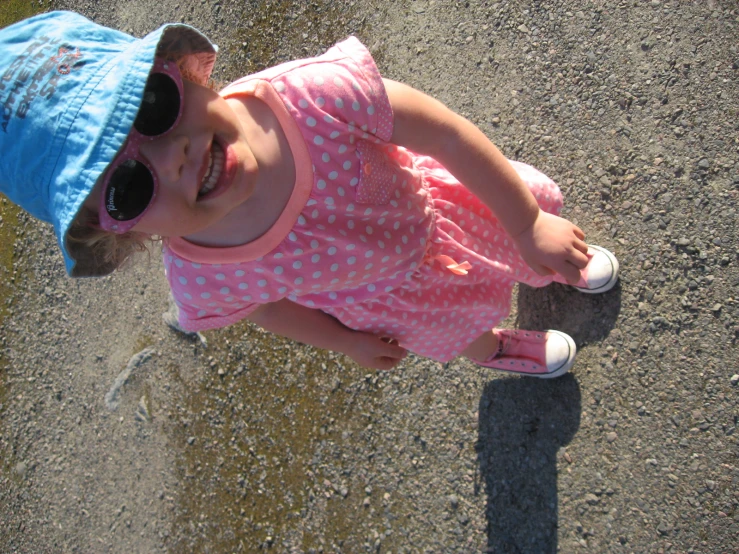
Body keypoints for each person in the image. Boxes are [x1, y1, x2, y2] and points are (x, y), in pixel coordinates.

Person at [0, 11, 619, 378]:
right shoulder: (201, 279)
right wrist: (343, 340)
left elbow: (446, 134)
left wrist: (526, 221)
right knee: (460, 330)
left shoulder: (310, 97)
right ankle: (497, 348)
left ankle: (543, 258)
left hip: (445, 212)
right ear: (121, 231)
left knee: (525, 244)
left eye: (154, 107)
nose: (175, 156)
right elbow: (267, 309)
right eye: (128, 188)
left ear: (179, 70)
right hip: (395, 298)